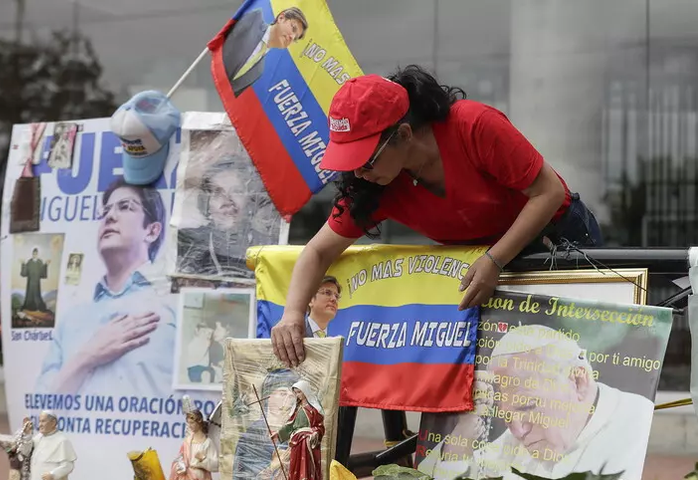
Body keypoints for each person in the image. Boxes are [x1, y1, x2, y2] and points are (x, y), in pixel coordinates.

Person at [270, 65, 604, 367]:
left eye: (366, 160)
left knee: (580, 359)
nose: (358, 173)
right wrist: (293, 315)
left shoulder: (474, 125)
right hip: (483, 270)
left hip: (556, 242)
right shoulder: (374, 186)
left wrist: (495, 259)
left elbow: (548, 193)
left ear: (404, 134)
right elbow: (318, 251)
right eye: (349, 161)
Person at [417, 325, 652, 480]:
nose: (518, 431)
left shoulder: (639, 424)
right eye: (506, 416)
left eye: (528, 406)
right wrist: (462, 437)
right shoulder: (512, 442)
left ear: (578, 381)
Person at [35, 179, 176, 398]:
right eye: (105, 211)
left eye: (125, 207)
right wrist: (87, 356)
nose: (110, 216)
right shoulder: (72, 320)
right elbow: (40, 408)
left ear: (152, 231)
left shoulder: (175, 306)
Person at [177, 156, 279, 280]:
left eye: (237, 191)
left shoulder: (270, 246)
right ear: (206, 203)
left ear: (250, 201)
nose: (227, 201)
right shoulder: (187, 242)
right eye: (217, 192)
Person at [222, 7, 308, 97]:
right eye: (293, 28)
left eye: (295, 38)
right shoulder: (254, 19)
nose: (292, 37)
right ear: (281, 18)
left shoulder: (258, 71)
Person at [233, 369, 299, 480]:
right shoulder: (252, 436)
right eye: (282, 393)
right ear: (268, 396)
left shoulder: (296, 432)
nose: (288, 399)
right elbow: (242, 474)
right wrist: (272, 466)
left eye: (292, 395)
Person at [270, 380, 325, 480]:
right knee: (295, 466)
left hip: (307, 442)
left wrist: (315, 433)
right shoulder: (297, 408)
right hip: (296, 442)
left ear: (305, 391)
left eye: (299, 392)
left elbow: (320, 426)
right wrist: (278, 434)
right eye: (295, 392)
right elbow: (290, 426)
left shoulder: (314, 409)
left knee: (307, 467)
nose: (297, 395)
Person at [169, 410, 219, 480]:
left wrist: (203, 458)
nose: (189, 425)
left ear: (199, 422)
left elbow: (216, 466)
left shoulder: (207, 443)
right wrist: (180, 466)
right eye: (188, 423)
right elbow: (179, 459)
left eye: (192, 423)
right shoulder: (187, 442)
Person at [30, 411, 77, 480]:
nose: (40, 425)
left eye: (43, 421)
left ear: (53, 422)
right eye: (39, 421)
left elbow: (68, 466)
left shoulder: (62, 441)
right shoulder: (38, 437)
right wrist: (26, 435)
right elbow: (26, 450)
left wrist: (53, 474)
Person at [19, 248, 50, 312]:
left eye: (36, 254)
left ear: (37, 254)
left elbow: (42, 273)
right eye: (33, 254)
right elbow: (24, 273)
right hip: (30, 282)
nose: (34, 255)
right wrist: (23, 264)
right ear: (32, 254)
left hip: (37, 283)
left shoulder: (40, 262)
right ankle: (28, 307)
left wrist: (46, 265)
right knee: (29, 295)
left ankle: (38, 307)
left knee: (37, 295)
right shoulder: (29, 262)